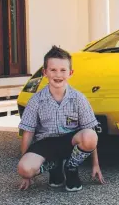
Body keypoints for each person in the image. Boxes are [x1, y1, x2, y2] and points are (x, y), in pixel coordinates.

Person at [17, 45, 105, 191]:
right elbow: (28, 132)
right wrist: (26, 172)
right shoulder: (35, 101)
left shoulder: (79, 98)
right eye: (53, 70)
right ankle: (53, 165)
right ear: (45, 72)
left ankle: (70, 167)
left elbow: (89, 129)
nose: (58, 75)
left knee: (90, 135)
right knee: (24, 168)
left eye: (63, 70)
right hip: (46, 143)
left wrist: (96, 164)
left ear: (70, 73)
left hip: (70, 142)